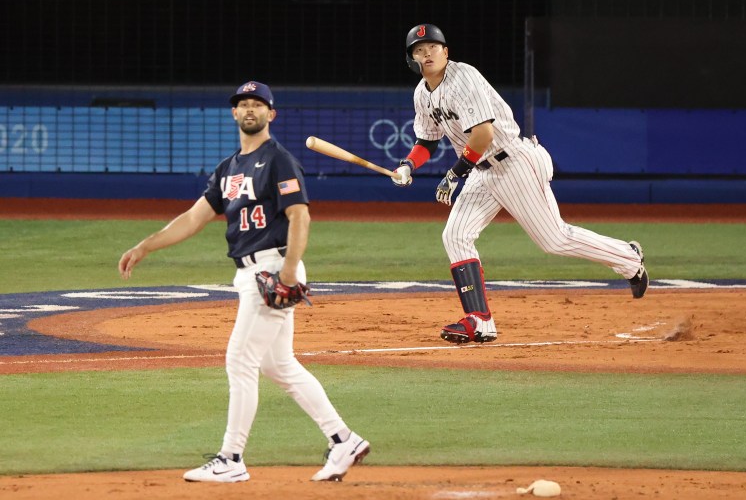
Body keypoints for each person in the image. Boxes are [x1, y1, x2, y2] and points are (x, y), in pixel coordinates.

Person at [118, 80, 370, 483]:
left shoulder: (279, 161)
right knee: (279, 365)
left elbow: (300, 216)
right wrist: (146, 246)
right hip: (249, 273)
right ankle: (344, 439)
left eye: (258, 104)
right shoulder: (229, 168)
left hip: (274, 269)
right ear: (234, 113)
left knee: (240, 359)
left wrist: (289, 269)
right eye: (243, 104)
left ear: (271, 114)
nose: (249, 109)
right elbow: (194, 217)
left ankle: (231, 458)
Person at [392, 24, 649, 345]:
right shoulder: (421, 94)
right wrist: (407, 165)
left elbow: (483, 134)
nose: (426, 53)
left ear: (446, 52)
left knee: (554, 240)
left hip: (513, 160)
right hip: (482, 169)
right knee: (455, 235)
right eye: (419, 50)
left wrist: (454, 173)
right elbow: (426, 141)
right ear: (411, 60)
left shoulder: (463, 77)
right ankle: (479, 320)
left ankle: (628, 257)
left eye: (432, 47)